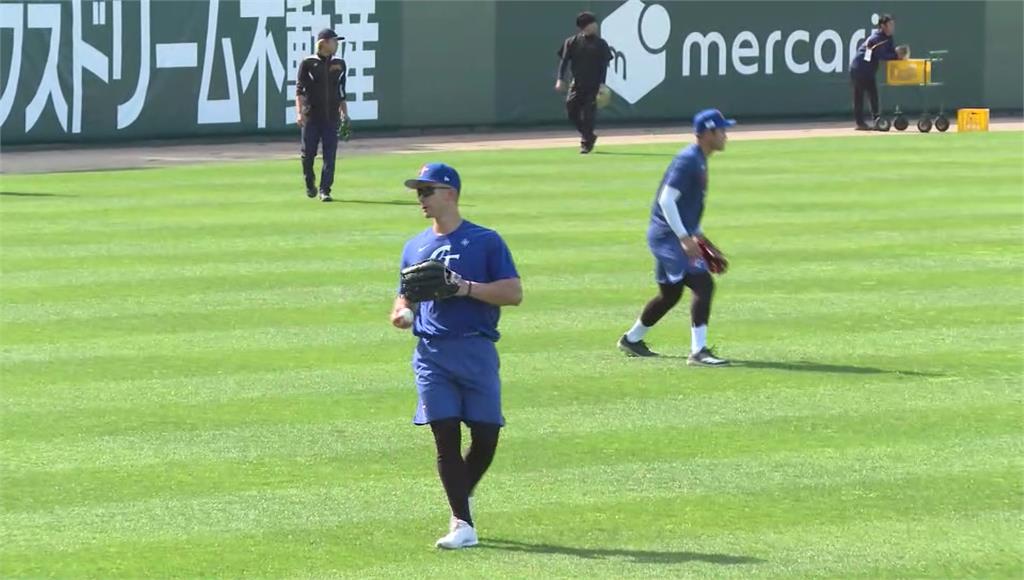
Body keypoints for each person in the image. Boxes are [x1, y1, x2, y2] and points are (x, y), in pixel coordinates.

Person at [391, 163, 523, 549]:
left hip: (476, 349)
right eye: (418, 192)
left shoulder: (486, 241)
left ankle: (460, 497)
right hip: (432, 353)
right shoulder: (414, 246)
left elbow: (513, 293)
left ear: (450, 194)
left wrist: (465, 288)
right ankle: (463, 524)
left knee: (486, 436)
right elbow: (404, 294)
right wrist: (401, 312)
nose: (420, 199)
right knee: (445, 434)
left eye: (426, 191)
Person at [617, 109, 734, 366]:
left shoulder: (699, 159)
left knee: (670, 294)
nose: (726, 135)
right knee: (703, 285)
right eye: (722, 130)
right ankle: (698, 352)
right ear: (708, 133)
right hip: (668, 237)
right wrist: (683, 238)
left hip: (672, 235)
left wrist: (699, 237)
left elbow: (686, 207)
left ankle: (631, 339)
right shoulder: (688, 160)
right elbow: (666, 200)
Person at [295, 28, 349, 202]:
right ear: (324, 43)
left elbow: (341, 91)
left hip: (331, 117)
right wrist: (299, 113)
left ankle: (325, 190)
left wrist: (345, 114)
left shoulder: (340, 64)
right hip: (311, 116)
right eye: (334, 41)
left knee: (330, 155)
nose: (337, 44)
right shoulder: (308, 63)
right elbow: (300, 91)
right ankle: (309, 183)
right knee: (308, 154)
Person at [555, 11, 612, 154]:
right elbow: (564, 62)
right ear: (585, 26)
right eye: (592, 23)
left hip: (593, 86)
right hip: (576, 85)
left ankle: (585, 144)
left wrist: (602, 84)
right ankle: (589, 136)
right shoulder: (572, 42)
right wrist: (560, 79)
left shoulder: (601, 44)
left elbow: (604, 66)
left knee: (588, 115)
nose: (596, 25)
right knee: (571, 112)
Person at [849, 14, 904, 130]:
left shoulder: (889, 38)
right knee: (859, 97)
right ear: (883, 26)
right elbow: (882, 55)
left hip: (869, 71)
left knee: (873, 96)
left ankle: (877, 121)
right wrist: (896, 55)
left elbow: (891, 53)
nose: (892, 27)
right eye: (890, 25)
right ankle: (860, 124)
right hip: (859, 68)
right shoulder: (876, 39)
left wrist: (898, 54)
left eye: (893, 24)